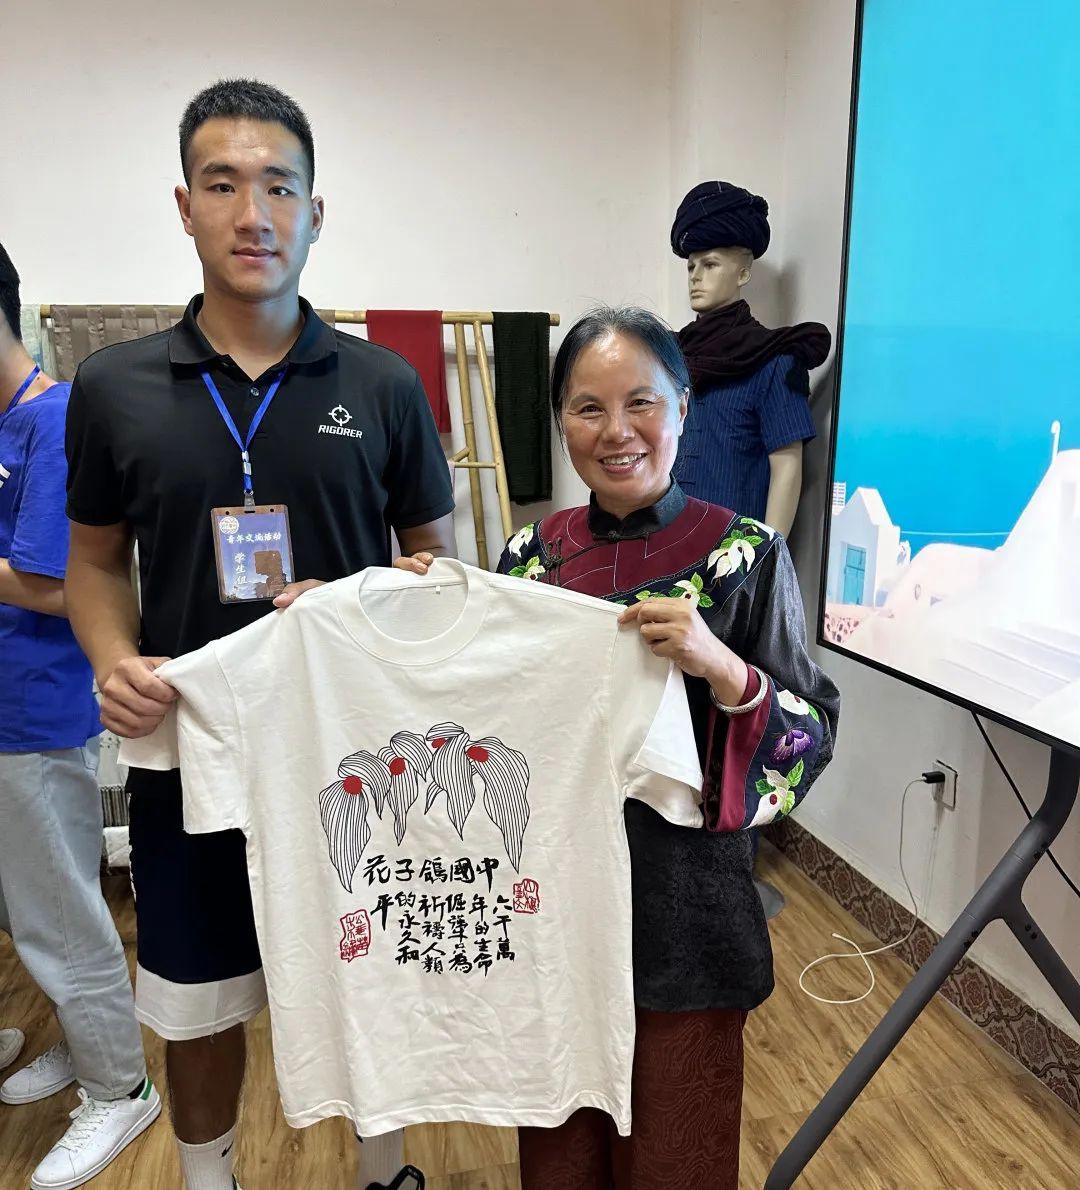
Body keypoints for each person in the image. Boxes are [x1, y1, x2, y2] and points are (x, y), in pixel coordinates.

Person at [64, 80, 455, 1190]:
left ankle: (385, 1170)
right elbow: (94, 562)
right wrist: (113, 660)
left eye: (279, 187)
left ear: (315, 213)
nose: (254, 214)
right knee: (197, 998)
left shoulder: (384, 383)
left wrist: (367, 602)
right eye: (224, 184)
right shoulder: (113, 386)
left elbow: (436, 567)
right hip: (190, 747)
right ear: (184, 206)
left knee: (373, 971)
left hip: (355, 755)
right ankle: (208, 1178)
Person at [499, 307, 839, 1187]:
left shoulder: (745, 555)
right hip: (554, 910)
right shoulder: (527, 561)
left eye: (641, 402)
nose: (616, 431)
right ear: (561, 421)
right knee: (560, 1158)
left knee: (676, 1157)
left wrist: (721, 666)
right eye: (588, 408)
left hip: (687, 916)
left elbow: (811, 733)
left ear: (684, 407)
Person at [0, 242, 158, 1188]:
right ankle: (76, 1036)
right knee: (28, 906)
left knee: (59, 910)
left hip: (33, 712)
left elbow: (69, 588)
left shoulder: (55, 420)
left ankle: (120, 1087)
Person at [670, 180, 831, 537]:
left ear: (743, 273)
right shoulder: (671, 358)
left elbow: (787, 466)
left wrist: (767, 557)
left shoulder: (774, 359)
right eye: (691, 267)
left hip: (733, 554)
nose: (696, 277)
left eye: (710, 264)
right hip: (665, 545)